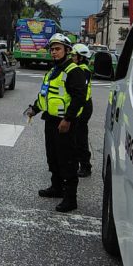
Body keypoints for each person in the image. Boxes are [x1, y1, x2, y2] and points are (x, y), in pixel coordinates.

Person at [24, 33, 88, 212]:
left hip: (66, 123)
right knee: (53, 157)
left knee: (67, 160)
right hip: (51, 121)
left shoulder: (74, 71)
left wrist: (68, 119)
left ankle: (70, 199)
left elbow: (79, 97)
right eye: (52, 49)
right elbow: (45, 95)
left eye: (58, 49)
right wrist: (35, 109)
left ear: (67, 50)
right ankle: (57, 188)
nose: (54, 52)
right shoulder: (53, 71)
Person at [71, 43, 95, 178]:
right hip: (82, 105)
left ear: (81, 57)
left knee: (80, 137)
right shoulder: (79, 68)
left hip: (83, 107)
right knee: (76, 136)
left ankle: (86, 166)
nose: (72, 57)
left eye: (74, 55)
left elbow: (81, 92)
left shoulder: (83, 71)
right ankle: (78, 163)